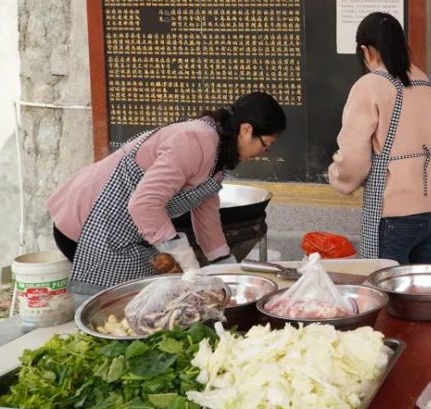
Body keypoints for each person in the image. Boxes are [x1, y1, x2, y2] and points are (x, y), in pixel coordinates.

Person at [48, 92, 286, 301]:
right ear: (247, 130)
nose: (264, 152)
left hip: (125, 230)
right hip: (91, 225)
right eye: (267, 145)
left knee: (157, 299)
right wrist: (186, 260)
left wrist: (224, 264)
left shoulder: (219, 154)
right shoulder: (196, 140)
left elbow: (206, 211)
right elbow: (145, 204)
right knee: (125, 309)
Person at [328, 12, 431, 264]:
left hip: (394, 216)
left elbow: (353, 159)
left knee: (387, 296)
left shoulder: (371, 86)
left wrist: (339, 178)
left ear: (366, 51)